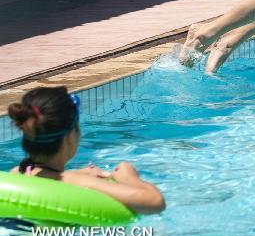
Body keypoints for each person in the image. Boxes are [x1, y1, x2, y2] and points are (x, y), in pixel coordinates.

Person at [7, 86, 165, 214]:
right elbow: (155, 201)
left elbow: (51, 178)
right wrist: (128, 176)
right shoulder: (76, 182)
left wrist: (76, 173)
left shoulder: (17, 172)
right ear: (69, 137)